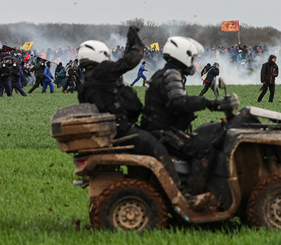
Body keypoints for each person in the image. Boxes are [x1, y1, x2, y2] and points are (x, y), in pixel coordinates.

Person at [76, 28, 210, 207]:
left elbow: (120, 67)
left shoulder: (88, 81)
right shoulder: (103, 71)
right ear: (101, 56)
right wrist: (136, 43)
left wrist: (129, 44)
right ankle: (181, 195)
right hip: (122, 127)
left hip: (112, 128)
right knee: (158, 149)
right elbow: (129, 61)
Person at [141, 36, 239, 205]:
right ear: (182, 56)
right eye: (191, 58)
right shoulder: (171, 75)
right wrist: (210, 103)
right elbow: (178, 102)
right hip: (162, 132)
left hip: (159, 129)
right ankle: (191, 194)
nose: (192, 62)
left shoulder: (163, 73)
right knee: (205, 149)